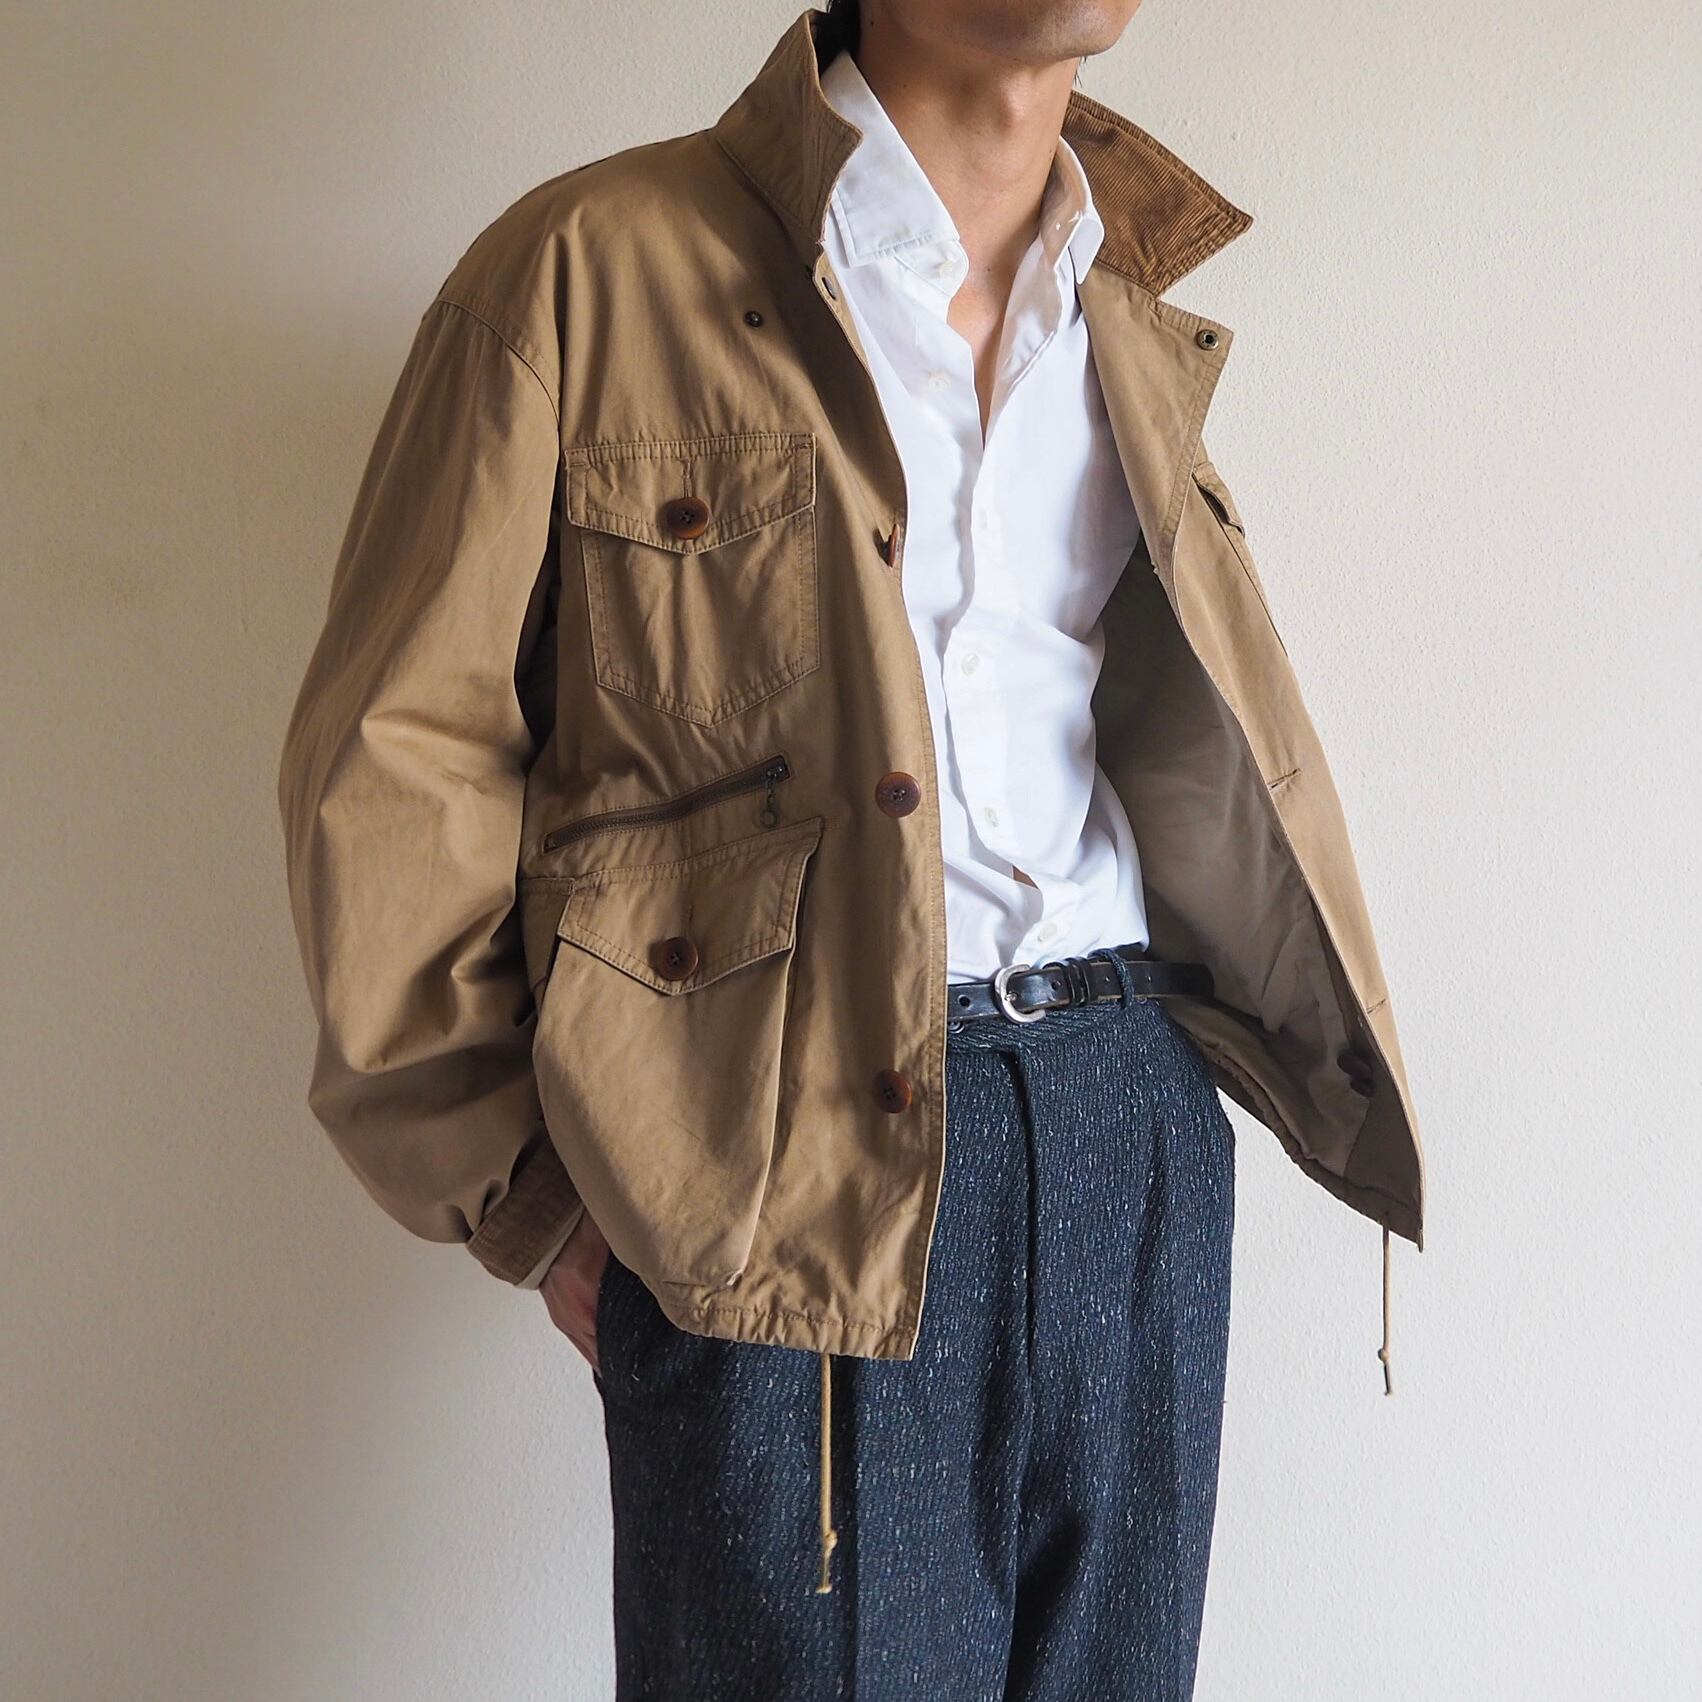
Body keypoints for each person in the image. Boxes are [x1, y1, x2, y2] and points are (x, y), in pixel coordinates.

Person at [276, 4, 1427, 1695]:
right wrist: (529, 1194)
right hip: (787, 1150)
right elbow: (397, 756)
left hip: (1128, 1118)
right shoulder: (586, 274)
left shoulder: (1120, 294)